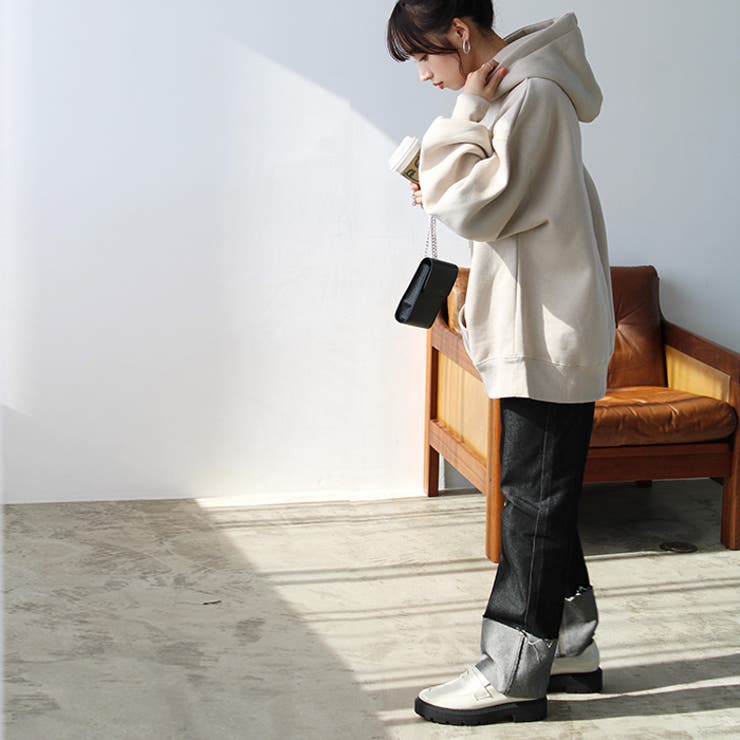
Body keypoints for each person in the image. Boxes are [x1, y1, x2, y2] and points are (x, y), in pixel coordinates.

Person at [386, 1, 616, 726]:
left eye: (423, 55)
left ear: (459, 30)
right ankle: (569, 647)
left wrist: (463, 118)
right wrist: (454, 168)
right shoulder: (521, 93)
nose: (423, 74)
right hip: (539, 320)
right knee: (540, 495)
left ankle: (514, 672)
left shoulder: (534, 94)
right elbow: (491, 201)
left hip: (546, 327)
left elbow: (480, 209)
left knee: (532, 501)